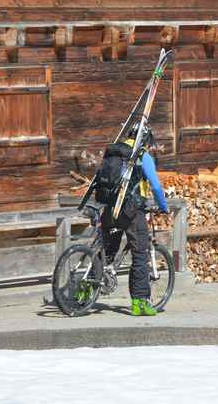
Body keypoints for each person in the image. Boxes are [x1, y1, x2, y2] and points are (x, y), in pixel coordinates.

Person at [98, 125, 169, 317]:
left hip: (109, 208)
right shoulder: (141, 155)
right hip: (130, 211)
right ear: (146, 139)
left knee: (106, 251)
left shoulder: (116, 151)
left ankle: (86, 289)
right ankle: (140, 302)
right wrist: (163, 206)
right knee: (140, 253)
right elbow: (154, 184)